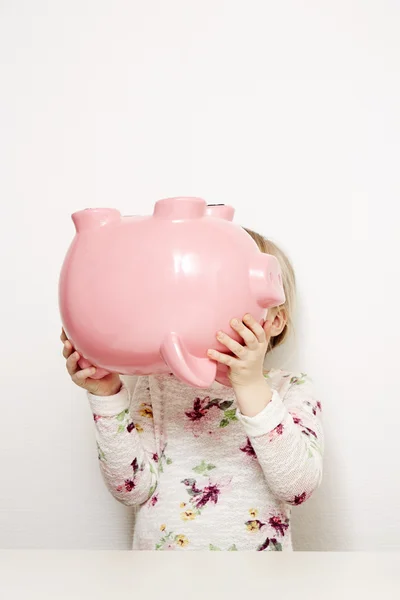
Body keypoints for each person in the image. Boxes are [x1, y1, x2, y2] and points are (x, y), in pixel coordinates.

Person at [61, 229, 323, 551]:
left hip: (258, 579)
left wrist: (251, 385)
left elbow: (297, 487)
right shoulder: (158, 383)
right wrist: (107, 394)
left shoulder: (290, 388)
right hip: (162, 577)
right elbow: (130, 489)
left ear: (275, 320)